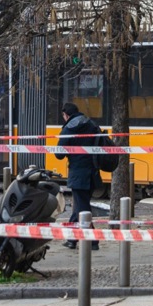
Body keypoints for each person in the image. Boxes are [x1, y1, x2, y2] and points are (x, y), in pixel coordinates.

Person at [55, 102, 101, 251]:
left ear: (65, 115)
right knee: (80, 206)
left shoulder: (69, 128)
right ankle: (72, 239)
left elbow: (59, 154)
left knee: (82, 208)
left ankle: (92, 240)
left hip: (78, 173)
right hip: (93, 172)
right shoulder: (92, 124)